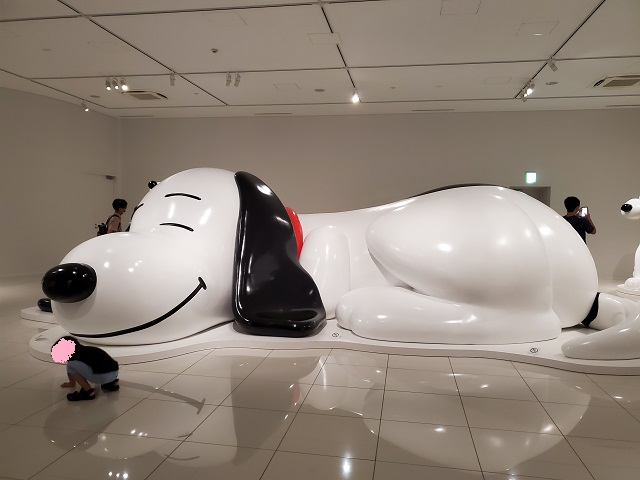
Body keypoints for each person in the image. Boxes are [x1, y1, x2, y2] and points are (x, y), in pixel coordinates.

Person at [51, 336, 120, 401]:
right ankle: (109, 383)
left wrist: (71, 383)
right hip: (114, 373)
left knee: (70, 366)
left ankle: (88, 392)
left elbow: (70, 370)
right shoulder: (89, 349)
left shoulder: (74, 359)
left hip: (102, 377)